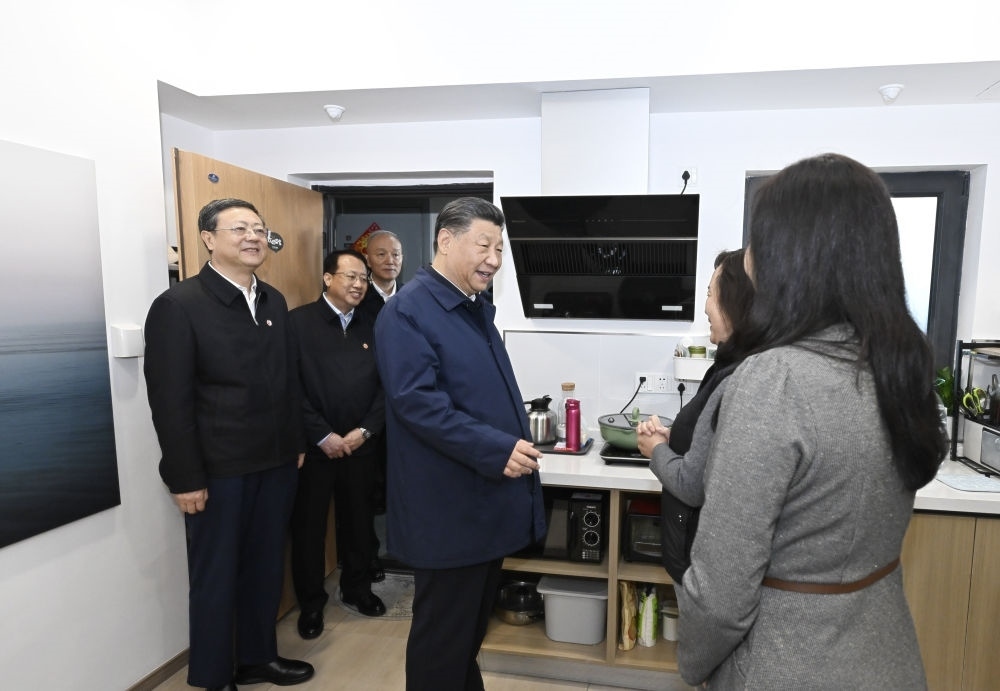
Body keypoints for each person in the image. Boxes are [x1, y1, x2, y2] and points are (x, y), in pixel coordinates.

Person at [673, 153, 947, 688]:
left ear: (789, 258)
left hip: (786, 662)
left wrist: (693, 664)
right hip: (887, 656)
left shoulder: (774, 380)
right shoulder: (898, 370)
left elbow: (722, 594)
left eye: (758, 241)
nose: (749, 256)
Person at [374, 197, 546, 691]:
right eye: (484, 246)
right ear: (446, 241)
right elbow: (417, 403)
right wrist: (496, 448)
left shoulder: (470, 307)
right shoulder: (407, 312)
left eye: (500, 249)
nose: (494, 259)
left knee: (465, 638)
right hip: (447, 511)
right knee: (442, 643)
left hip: (479, 504)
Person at [144, 198, 314, 690]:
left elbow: (288, 380)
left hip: (276, 463)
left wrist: (295, 441)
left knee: (265, 567)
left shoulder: (273, 300)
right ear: (208, 239)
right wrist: (185, 477)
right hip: (218, 471)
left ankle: (258, 658)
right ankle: (215, 676)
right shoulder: (179, 305)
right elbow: (170, 403)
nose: (253, 237)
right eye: (239, 228)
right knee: (217, 575)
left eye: (258, 228)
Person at [636, 248, 754, 583]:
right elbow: (711, 448)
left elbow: (693, 485)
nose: (704, 306)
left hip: (701, 564)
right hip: (692, 556)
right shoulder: (725, 366)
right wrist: (673, 439)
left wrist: (657, 450)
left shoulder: (737, 378)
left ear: (735, 302)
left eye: (710, 294)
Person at [289, 249, 387, 640]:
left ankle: (357, 589)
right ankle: (311, 605)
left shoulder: (375, 325)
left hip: (361, 445)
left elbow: (388, 387)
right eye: (350, 276)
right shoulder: (297, 323)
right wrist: (322, 435)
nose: (358, 284)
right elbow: (287, 386)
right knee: (309, 529)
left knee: (360, 524)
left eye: (363, 278)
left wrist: (365, 430)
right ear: (328, 278)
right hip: (314, 449)